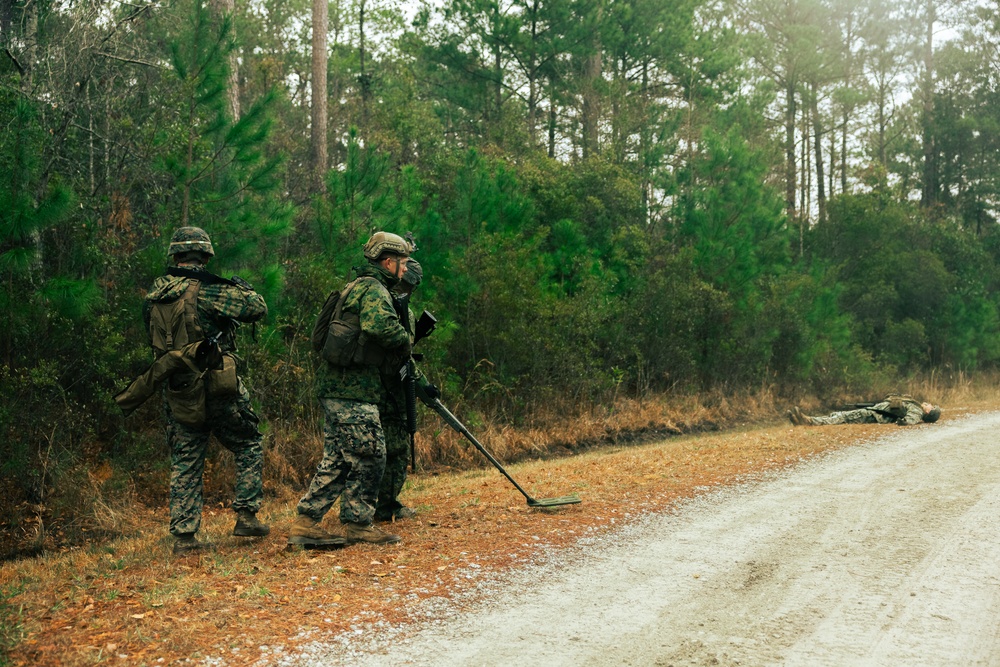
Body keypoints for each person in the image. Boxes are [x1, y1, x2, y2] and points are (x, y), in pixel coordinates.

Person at [144, 226, 270, 555]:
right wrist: (244, 289)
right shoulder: (208, 290)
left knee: (186, 458)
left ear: (175, 255)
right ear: (205, 255)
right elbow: (257, 308)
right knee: (248, 442)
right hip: (217, 384)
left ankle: (184, 536)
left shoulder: (154, 294)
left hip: (178, 387)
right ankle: (246, 516)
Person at [288, 231, 413, 547]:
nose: (405, 269)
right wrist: (406, 338)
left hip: (338, 386)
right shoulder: (374, 290)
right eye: (403, 263)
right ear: (388, 262)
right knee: (371, 453)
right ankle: (357, 524)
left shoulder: (355, 286)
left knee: (341, 457)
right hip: (352, 389)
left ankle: (307, 522)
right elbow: (380, 327)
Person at [375, 258, 441, 521]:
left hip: (373, 389)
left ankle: (364, 506)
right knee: (397, 449)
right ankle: (386, 506)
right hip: (390, 391)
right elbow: (404, 358)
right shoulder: (398, 309)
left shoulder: (378, 300)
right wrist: (424, 386)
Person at [788, 395, 941, 426]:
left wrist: (903, 422)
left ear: (928, 413)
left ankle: (808, 421)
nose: (929, 404)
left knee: (843, 417)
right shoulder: (915, 406)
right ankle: (803, 420)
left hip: (874, 415)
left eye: (931, 407)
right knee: (840, 415)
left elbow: (910, 420)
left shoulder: (917, 410)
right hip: (874, 411)